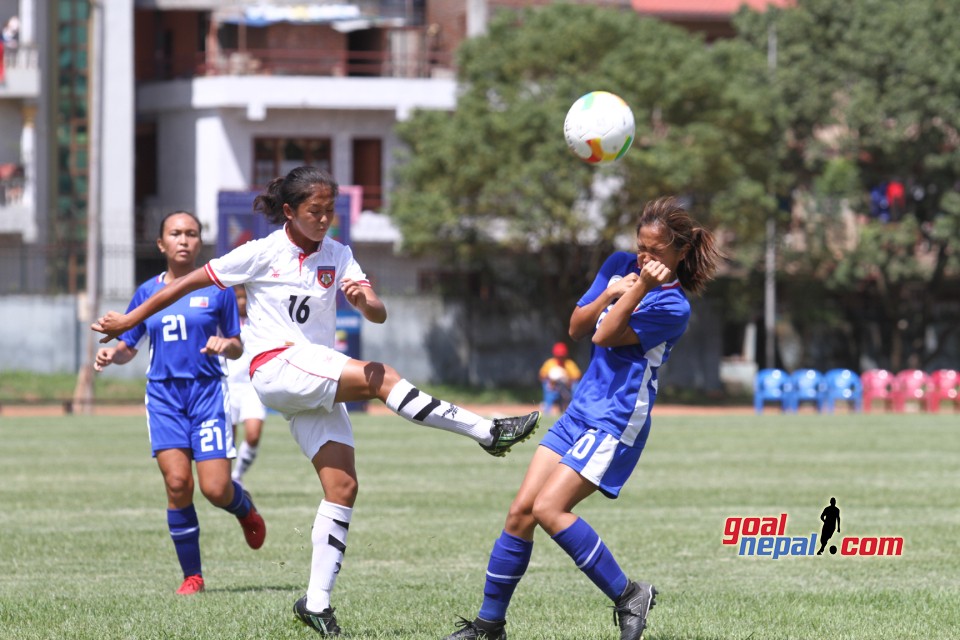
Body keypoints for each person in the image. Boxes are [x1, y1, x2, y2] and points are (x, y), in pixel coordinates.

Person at [92, 165, 540, 636]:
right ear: (289, 211)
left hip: (311, 375)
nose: (324, 219)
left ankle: (316, 602)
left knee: (343, 488)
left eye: (330, 211)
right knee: (380, 376)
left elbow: (378, 311)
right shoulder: (262, 252)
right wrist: (127, 320)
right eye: (314, 211)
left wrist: (364, 301)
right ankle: (486, 431)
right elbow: (186, 283)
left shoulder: (338, 254)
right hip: (277, 366)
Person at [443, 196, 723, 640]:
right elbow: (578, 326)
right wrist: (613, 289)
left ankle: (630, 594)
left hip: (615, 418)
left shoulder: (674, 307)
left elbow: (607, 335)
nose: (643, 257)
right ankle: (488, 626)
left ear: (680, 252)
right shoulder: (618, 263)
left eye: (655, 250)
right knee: (520, 513)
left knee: (550, 509)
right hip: (581, 409)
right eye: (640, 246)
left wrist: (634, 290)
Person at [93, 210, 266, 596]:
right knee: (177, 483)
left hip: (207, 395)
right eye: (176, 233)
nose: (184, 240)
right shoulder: (145, 292)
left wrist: (227, 345)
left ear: (199, 242)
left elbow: (237, 344)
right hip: (164, 398)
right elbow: (129, 345)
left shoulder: (217, 289)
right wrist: (112, 356)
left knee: (217, 489)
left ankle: (245, 509)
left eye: (191, 233)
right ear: (162, 244)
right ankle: (193, 577)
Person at [226, 284, 268, 484]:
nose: (242, 301)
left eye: (245, 297)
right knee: (228, 440)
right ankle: (224, 480)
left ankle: (237, 475)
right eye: (238, 297)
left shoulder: (260, 320)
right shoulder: (224, 322)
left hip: (252, 386)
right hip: (226, 385)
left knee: (253, 435)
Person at [538, 342, 581, 415]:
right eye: (558, 356)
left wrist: (567, 380)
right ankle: (547, 410)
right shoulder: (550, 363)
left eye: (562, 356)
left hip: (566, 385)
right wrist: (551, 380)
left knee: (575, 386)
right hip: (553, 385)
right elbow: (541, 376)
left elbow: (577, 376)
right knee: (547, 387)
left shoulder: (569, 364)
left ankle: (575, 410)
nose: (560, 358)